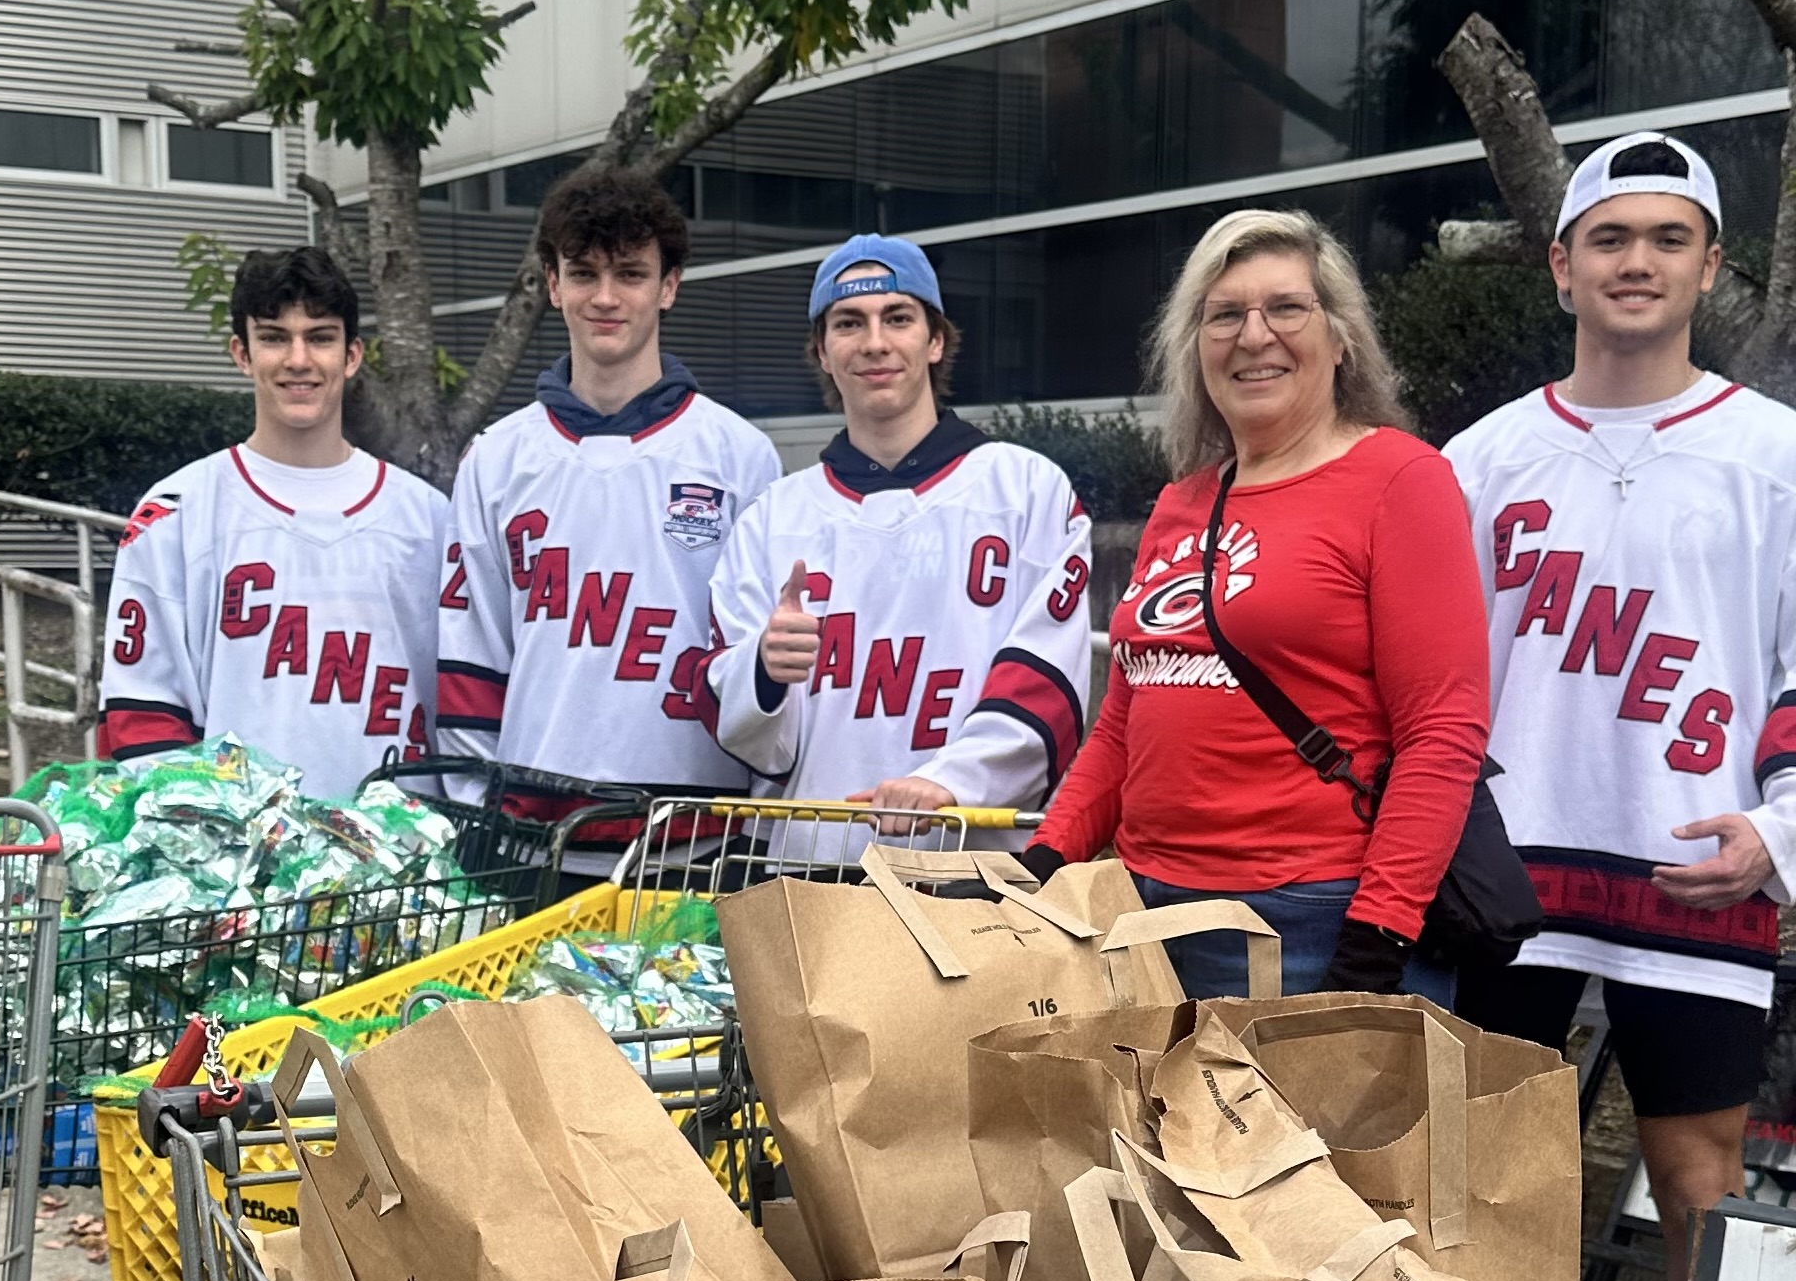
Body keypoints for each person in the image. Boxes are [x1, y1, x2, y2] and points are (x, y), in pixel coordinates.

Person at [1442, 130, 1796, 1281]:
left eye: (1666, 239)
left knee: (1700, 1178)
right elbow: (1420, 673)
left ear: (1709, 269)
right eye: (1608, 239)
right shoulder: (1474, 462)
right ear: (1559, 264)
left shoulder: (1788, 460)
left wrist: (1782, 830)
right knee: (1483, 1180)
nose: (1634, 261)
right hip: (1507, 871)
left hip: (1696, 864)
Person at [1023, 206, 1488, 1001]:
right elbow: (1122, 724)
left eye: (1284, 308)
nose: (1253, 334)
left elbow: (1443, 732)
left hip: (1309, 921)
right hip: (1140, 916)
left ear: (1340, 339)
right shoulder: (1183, 501)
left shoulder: (1400, 482)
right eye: (1224, 314)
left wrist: (1376, 936)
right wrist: (1042, 861)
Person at [707, 236, 1091, 818]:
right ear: (822, 351)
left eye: (898, 318)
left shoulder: (1027, 490)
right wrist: (762, 670)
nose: (875, 343)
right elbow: (737, 722)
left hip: (972, 860)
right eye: (849, 324)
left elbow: (1050, 679)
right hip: (809, 860)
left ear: (935, 340)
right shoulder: (771, 517)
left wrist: (953, 780)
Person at [434, 165, 778, 812]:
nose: (605, 297)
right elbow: (469, 658)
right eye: (584, 273)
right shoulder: (496, 458)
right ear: (553, 285)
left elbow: (760, 674)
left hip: (693, 834)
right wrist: (476, 816)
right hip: (531, 833)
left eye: (629, 274)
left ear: (668, 286)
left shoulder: (741, 456)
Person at [96, 244, 447, 803]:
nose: (299, 359)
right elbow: (140, 718)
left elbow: (465, 704)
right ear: (242, 352)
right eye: (275, 337)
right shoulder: (176, 513)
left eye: (321, 337)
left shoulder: (429, 518)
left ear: (353, 355)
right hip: (237, 868)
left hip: (405, 856)